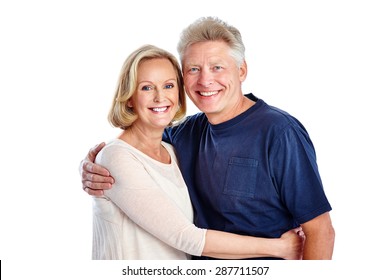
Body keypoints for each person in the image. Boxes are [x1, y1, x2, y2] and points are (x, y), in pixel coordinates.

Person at [81, 17, 335, 260]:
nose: (205, 80)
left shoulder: (279, 132)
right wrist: (92, 164)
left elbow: (320, 230)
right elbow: (136, 146)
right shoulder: (183, 135)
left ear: (242, 70)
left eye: (217, 67)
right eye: (193, 69)